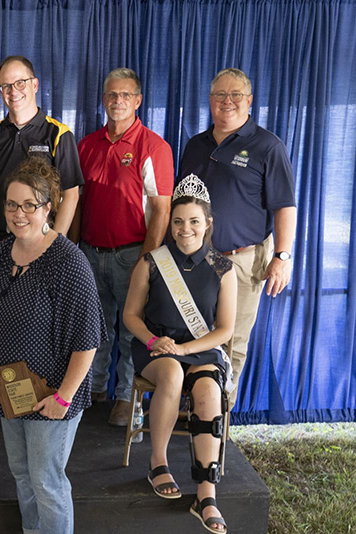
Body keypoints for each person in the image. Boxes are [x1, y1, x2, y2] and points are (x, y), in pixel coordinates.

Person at [0, 157, 106, 534]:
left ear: (48, 208)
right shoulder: (0, 257)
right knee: (22, 475)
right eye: (12, 204)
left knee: (47, 481)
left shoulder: (68, 261)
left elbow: (88, 338)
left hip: (52, 396)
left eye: (29, 205)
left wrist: (63, 397)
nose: (18, 213)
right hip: (11, 389)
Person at [123, 175, 237, 534]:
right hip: (157, 347)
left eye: (193, 221)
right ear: (169, 223)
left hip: (199, 348)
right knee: (171, 373)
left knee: (208, 392)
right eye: (177, 221)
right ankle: (157, 460)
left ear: (208, 224)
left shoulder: (223, 268)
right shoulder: (152, 262)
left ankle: (206, 492)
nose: (184, 229)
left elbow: (224, 329)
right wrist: (154, 341)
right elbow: (130, 315)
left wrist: (187, 348)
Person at [178, 68, 296, 406]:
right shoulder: (195, 145)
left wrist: (282, 257)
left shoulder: (267, 146)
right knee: (192, 334)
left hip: (243, 262)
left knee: (232, 342)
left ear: (249, 101)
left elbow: (285, 206)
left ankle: (218, 421)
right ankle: (193, 409)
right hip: (195, 262)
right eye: (220, 96)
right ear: (210, 100)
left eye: (235, 96)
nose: (227, 102)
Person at [75, 68, 174, 425]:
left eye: (125, 95)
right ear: (104, 100)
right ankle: (95, 388)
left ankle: (126, 398)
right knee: (95, 326)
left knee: (132, 330)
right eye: (111, 95)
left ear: (138, 100)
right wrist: (72, 248)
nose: (118, 101)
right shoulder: (86, 145)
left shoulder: (153, 146)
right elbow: (78, 202)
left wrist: (147, 260)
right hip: (89, 252)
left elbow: (162, 208)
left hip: (133, 252)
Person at [0, 55, 84, 284]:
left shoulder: (58, 134)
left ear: (35, 84)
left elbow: (71, 194)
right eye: (6, 86)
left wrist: (53, 245)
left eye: (20, 83)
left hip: (40, 245)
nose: (14, 91)